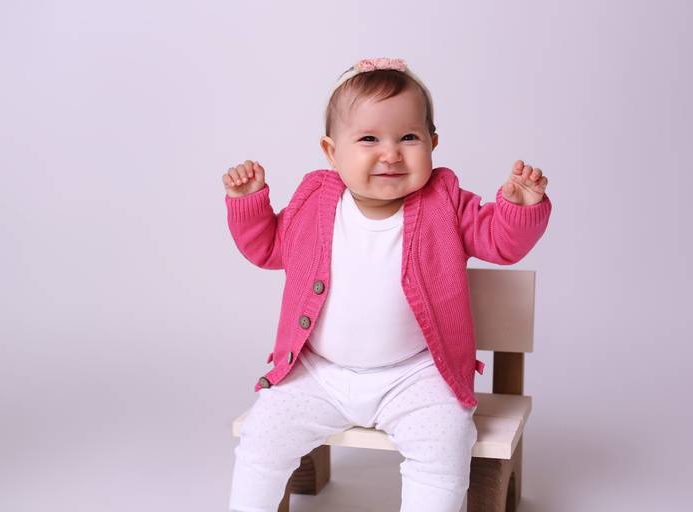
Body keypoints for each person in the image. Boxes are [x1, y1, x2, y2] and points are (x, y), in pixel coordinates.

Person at [223, 57, 552, 512]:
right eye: (369, 139)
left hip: (417, 374)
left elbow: (499, 241)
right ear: (331, 151)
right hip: (318, 373)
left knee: (443, 446)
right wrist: (249, 206)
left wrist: (520, 208)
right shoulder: (314, 200)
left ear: (433, 143)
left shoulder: (445, 201)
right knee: (263, 438)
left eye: (409, 137)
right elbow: (269, 248)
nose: (391, 153)